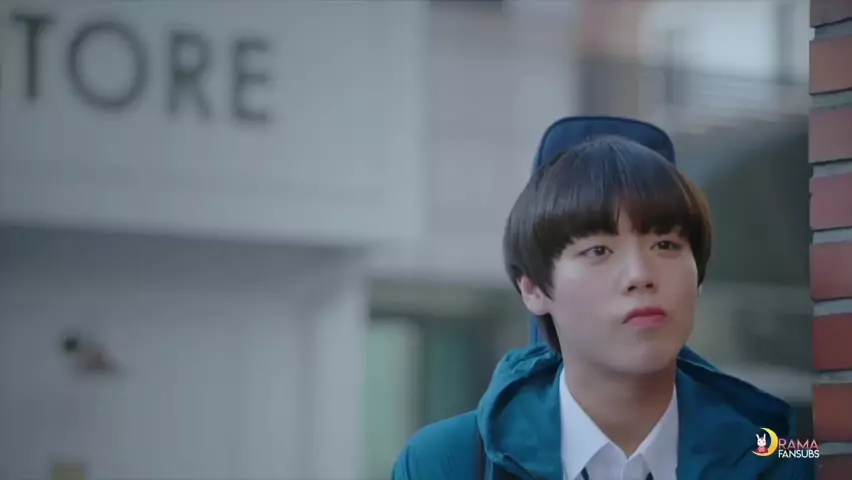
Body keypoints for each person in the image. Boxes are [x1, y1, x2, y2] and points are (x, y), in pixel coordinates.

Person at [391, 129, 813, 479]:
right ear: (534, 289)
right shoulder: (448, 462)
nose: (640, 275)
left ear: (698, 277)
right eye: (598, 251)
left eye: (666, 245)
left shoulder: (781, 456)